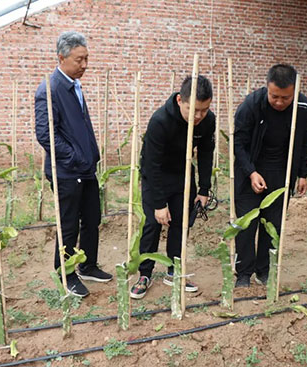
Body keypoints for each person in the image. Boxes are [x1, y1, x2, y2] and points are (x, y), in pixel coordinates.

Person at [35, 31, 112, 298]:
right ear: (62, 57)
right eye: (80, 59)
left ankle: (88, 265)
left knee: (92, 218)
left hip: (85, 168)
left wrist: (91, 154)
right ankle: (65, 273)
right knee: (68, 224)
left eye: (87, 58)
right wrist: (75, 157)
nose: (85, 65)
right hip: (67, 172)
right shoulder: (50, 89)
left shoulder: (74, 85)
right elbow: (45, 134)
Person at [129, 75, 215, 299]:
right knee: (152, 225)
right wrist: (159, 203)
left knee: (180, 223)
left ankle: (174, 270)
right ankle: (144, 274)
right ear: (179, 100)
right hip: (155, 175)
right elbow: (151, 164)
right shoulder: (160, 121)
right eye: (193, 109)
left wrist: (204, 189)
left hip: (183, 176)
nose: (198, 116)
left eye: (204, 110)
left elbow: (206, 154)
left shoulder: (208, 121)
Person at [233, 64, 307, 288]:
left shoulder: (303, 107)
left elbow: (305, 142)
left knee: (272, 225)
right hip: (251, 171)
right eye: (274, 96)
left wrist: (302, 173)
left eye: (285, 98)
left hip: (282, 173)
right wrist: (251, 172)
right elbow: (238, 144)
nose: (279, 102)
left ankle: (264, 270)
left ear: (294, 91)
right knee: (246, 225)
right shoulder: (251, 105)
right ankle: (244, 273)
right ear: (267, 87)